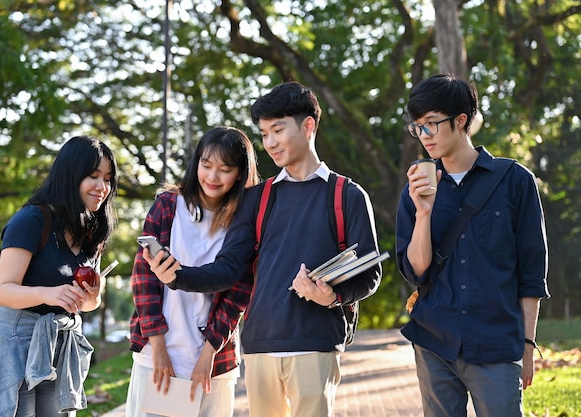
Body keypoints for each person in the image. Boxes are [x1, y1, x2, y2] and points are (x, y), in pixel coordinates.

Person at [145, 81, 382, 417]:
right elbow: (229, 270)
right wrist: (178, 275)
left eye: (277, 130)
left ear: (308, 125)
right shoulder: (257, 198)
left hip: (315, 344)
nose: (269, 142)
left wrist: (331, 297)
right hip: (258, 346)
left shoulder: (348, 195)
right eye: (264, 133)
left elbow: (370, 272)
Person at [395, 73, 550, 417]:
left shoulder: (514, 181)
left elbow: (531, 272)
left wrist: (527, 345)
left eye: (431, 124)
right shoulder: (418, 185)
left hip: (496, 345)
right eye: (417, 126)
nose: (424, 136)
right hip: (434, 342)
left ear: (461, 120)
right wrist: (423, 213)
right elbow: (415, 270)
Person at [0, 135, 118, 417]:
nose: (102, 187)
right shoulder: (32, 220)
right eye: (93, 176)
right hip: (13, 340)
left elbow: (89, 304)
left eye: (107, 178)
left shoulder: (93, 230)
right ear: (71, 175)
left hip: (59, 343)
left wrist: (92, 296)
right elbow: (3, 291)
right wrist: (48, 293)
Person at [125, 126, 260, 417]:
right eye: (206, 165)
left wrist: (208, 354)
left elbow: (238, 294)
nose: (212, 177)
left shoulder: (243, 221)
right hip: (158, 356)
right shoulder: (168, 206)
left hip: (213, 361)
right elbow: (143, 279)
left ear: (239, 173)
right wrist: (158, 347)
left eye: (224, 169)